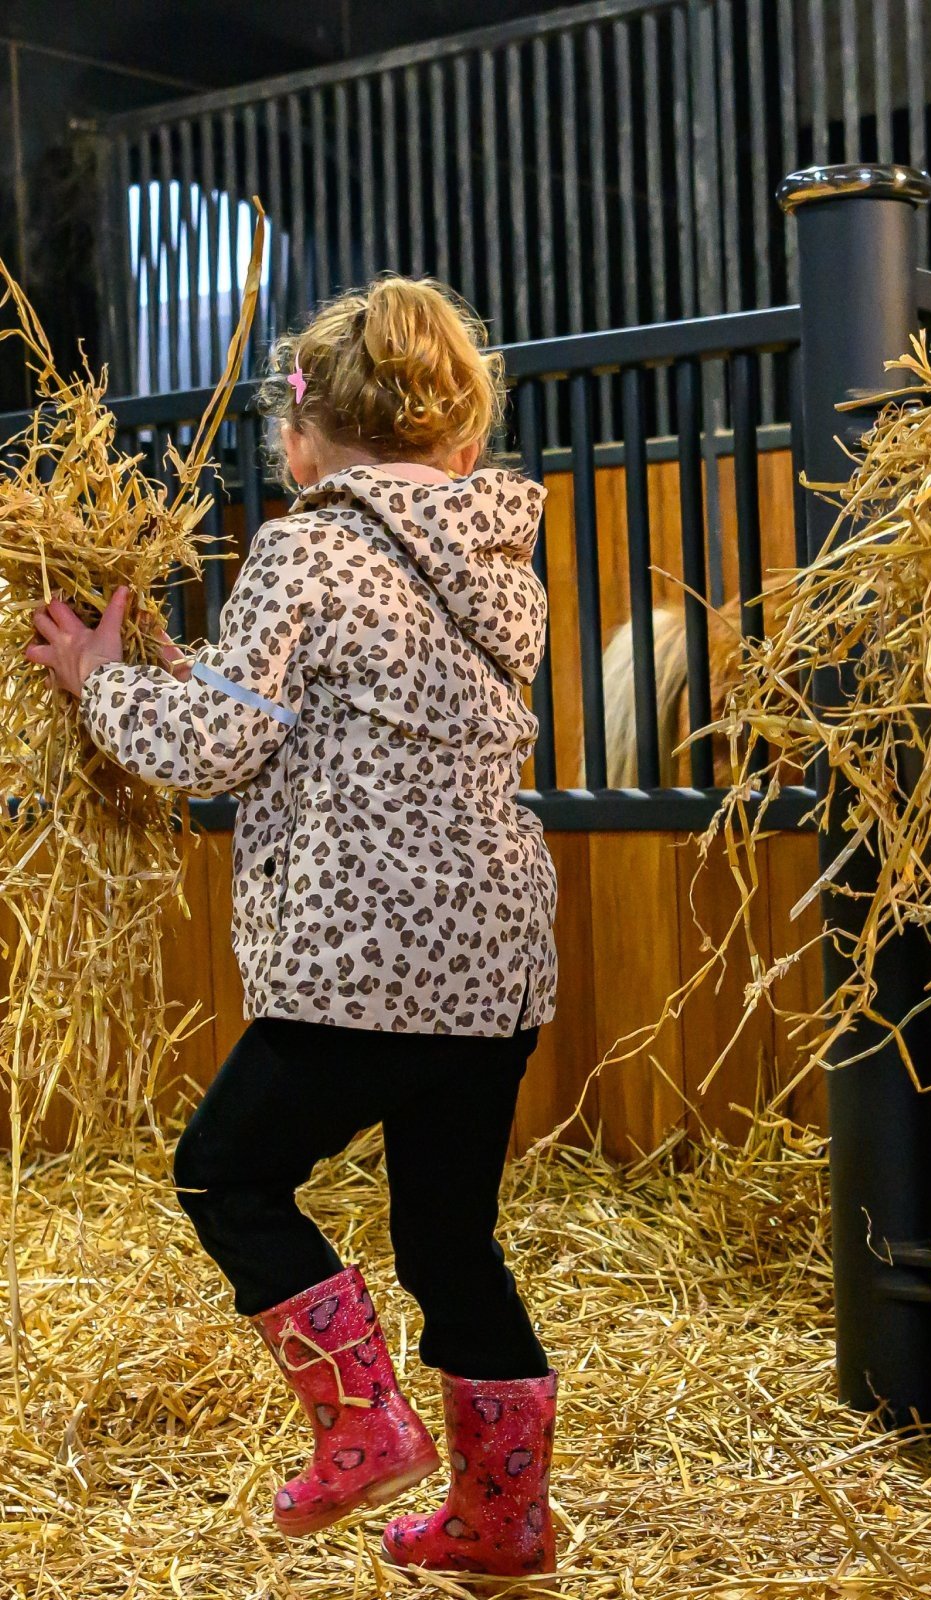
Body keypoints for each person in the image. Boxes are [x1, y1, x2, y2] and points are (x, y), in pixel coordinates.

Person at [26, 276, 561, 1578]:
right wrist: (184, 676)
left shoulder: (305, 551)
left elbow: (215, 747)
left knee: (226, 1173)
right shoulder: (505, 563)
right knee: (449, 1239)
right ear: (463, 436)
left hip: (359, 963)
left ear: (305, 434)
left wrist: (100, 681)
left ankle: (363, 1425)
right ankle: (503, 1522)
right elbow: (337, 717)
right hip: (495, 965)